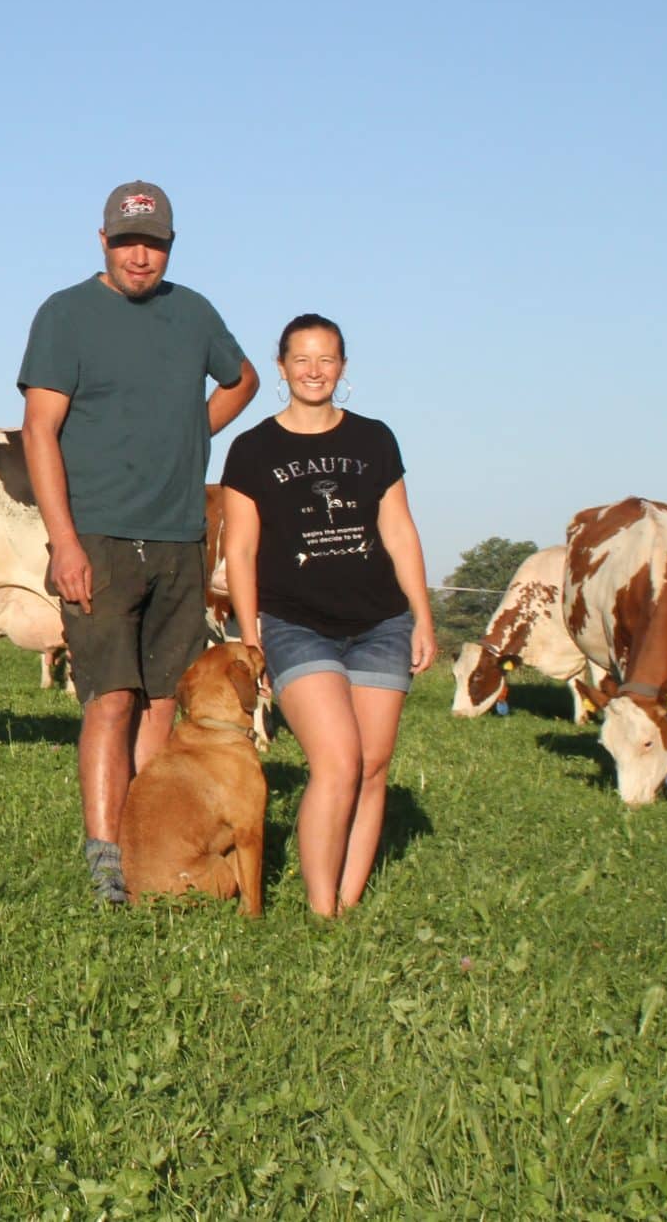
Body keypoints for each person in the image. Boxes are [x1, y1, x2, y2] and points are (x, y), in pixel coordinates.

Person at [19, 182, 259, 907]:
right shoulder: (66, 314)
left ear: (170, 246)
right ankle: (105, 859)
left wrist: (194, 430)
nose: (139, 255)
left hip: (180, 532)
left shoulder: (193, 312)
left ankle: (147, 843)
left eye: (153, 243)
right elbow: (38, 431)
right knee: (110, 698)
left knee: (163, 699)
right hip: (98, 533)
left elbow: (242, 378)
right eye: (127, 241)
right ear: (102, 240)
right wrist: (65, 542)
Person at [218, 313, 435, 917]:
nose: (315, 371)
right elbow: (239, 549)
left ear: (343, 368)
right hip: (295, 623)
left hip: (380, 623)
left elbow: (398, 529)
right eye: (302, 359)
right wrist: (251, 635)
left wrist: (422, 614)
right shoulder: (253, 449)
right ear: (282, 366)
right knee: (337, 761)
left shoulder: (374, 440)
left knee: (371, 766)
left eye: (327, 359)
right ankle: (322, 914)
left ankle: (348, 897)